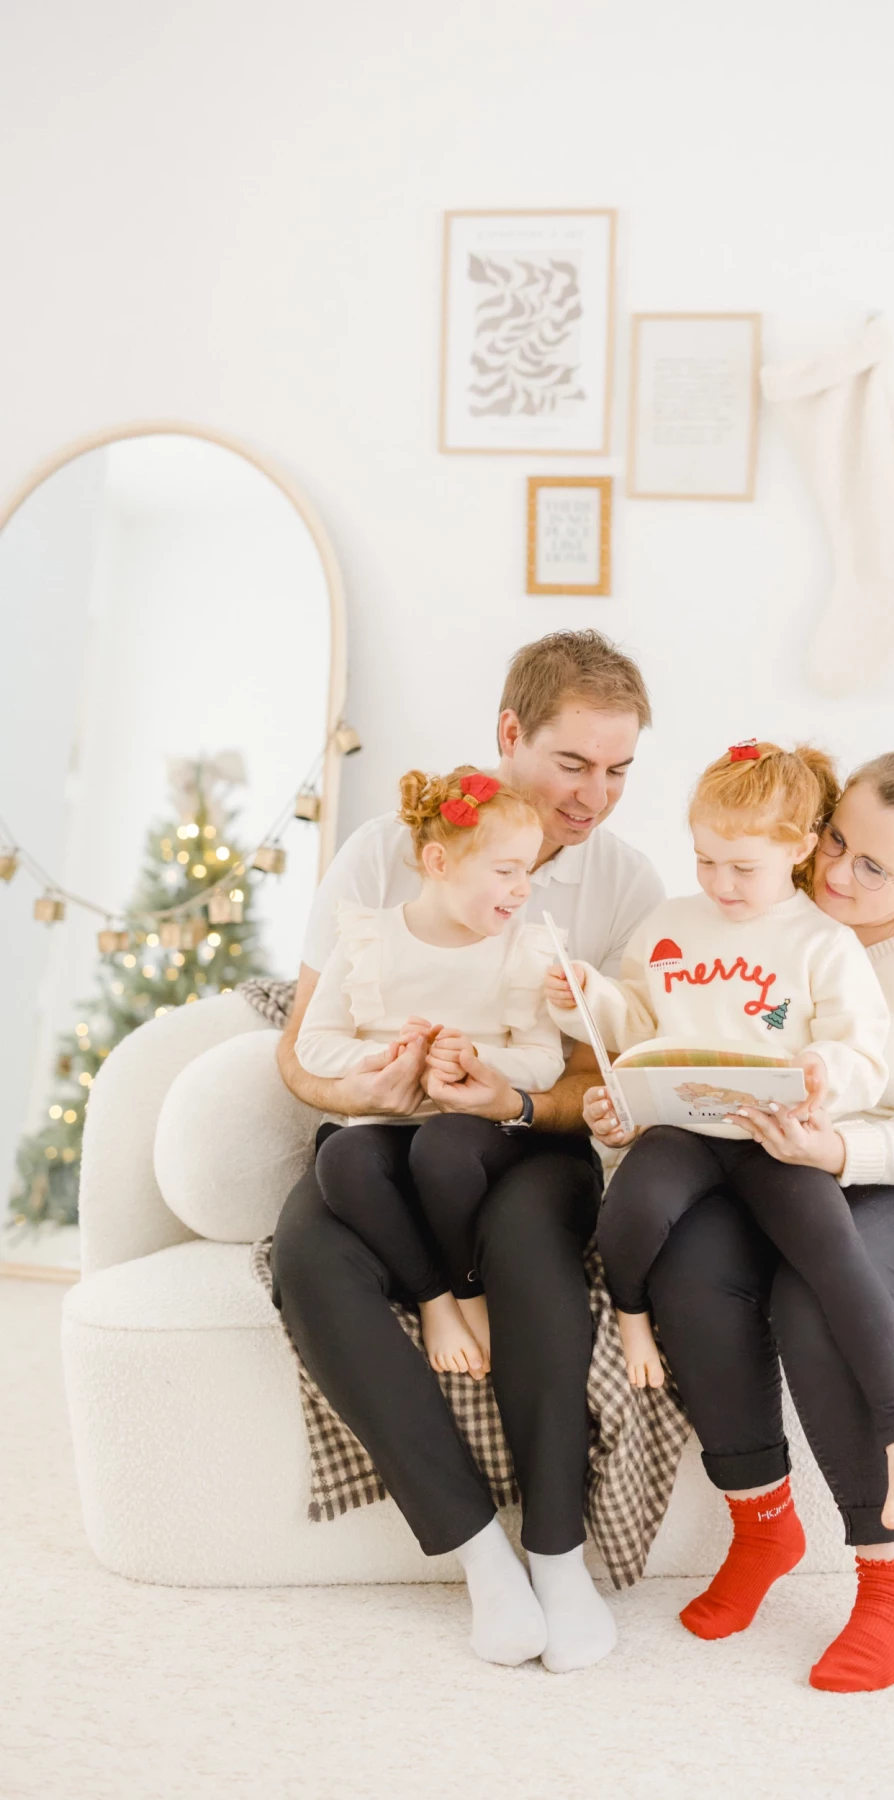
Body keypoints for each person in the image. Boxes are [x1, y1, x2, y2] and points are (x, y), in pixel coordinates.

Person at [586, 748, 894, 1692]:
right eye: (835, 842)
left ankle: (892, 1580)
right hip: (790, 1174)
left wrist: (838, 1152)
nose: (838, 875)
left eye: (874, 867)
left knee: (809, 1301)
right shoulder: (781, 916)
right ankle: (761, 1523)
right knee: (693, 1271)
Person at [270, 631, 664, 1672]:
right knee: (312, 1255)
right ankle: (477, 1552)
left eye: (620, 770)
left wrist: (515, 1098)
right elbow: (299, 1056)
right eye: (573, 763)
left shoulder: (625, 883)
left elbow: (605, 1081)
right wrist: (368, 1085)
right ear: (507, 735)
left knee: (530, 1250)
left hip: (524, 1140)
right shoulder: (387, 851)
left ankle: (558, 1551)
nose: (595, 796)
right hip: (385, 1125)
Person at [548, 740, 894, 1536]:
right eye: (705, 861)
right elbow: (634, 1027)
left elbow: (865, 1051)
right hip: (685, 1127)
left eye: (743, 868)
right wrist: (583, 998)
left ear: (798, 848)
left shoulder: (821, 943)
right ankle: (630, 1318)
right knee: (631, 1208)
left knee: (831, 1250)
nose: (720, 884)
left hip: (774, 1135)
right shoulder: (668, 926)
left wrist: (822, 1072)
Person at [297, 765, 568, 1379]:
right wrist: (385, 1062)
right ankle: (436, 1299)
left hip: (468, 1130)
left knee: (442, 1152)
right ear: (440, 864)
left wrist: (481, 1063)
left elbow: (546, 1061)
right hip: (383, 1123)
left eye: (528, 870)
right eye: (506, 871)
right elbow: (315, 1043)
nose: (522, 888)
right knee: (342, 1160)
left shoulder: (521, 951)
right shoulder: (368, 939)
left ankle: (467, 1285)